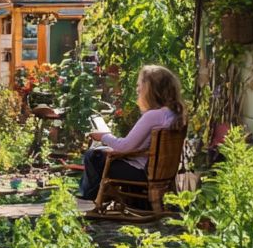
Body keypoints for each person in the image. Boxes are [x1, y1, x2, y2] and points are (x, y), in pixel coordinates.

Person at [79, 65, 186, 201]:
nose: (137, 90)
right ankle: (101, 195)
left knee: (93, 156)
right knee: (102, 153)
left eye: (139, 85)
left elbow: (125, 147)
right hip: (161, 172)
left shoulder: (153, 116)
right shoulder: (174, 114)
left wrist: (103, 136)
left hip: (141, 172)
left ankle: (90, 197)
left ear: (149, 89)